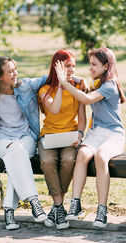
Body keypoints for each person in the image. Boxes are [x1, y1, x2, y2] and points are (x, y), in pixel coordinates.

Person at [0, 56, 85, 230]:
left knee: (16, 156)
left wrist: (77, 79)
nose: (16, 73)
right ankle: (33, 202)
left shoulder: (25, 86)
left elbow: (49, 77)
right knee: (16, 155)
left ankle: (13, 211)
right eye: (10, 71)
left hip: (27, 138)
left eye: (15, 69)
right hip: (2, 140)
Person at [54, 47, 126, 227]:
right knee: (82, 155)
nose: (90, 68)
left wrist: (65, 82)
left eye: (94, 64)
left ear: (106, 66)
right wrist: (71, 77)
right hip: (96, 132)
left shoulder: (110, 85)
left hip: (113, 134)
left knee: (101, 157)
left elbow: (86, 100)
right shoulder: (96, 83)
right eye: (90, 64)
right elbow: (83, 84)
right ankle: (75, 204)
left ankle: (102, 210)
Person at [38, 50, 86, 230]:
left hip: (70, 136)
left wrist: (80, 135)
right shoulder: (44, 90)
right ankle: (59, 207)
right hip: (49, 135)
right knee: (47, 161)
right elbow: (55, 109)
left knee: (68, 160)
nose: (72, 69)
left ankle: (55, 209)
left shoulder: (78, 88)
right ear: (57, 67)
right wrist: (60, 85)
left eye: (74, 66)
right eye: (67, 66)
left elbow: (82, 116)